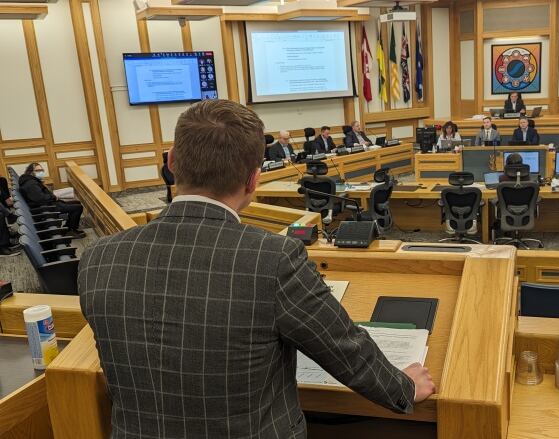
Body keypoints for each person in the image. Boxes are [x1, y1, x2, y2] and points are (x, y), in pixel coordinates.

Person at [78, 100, 435, 439]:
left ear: (171, 163)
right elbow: (346, 350)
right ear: (253, 180)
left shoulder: (98, 257)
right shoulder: (273, 258)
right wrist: (403, 387)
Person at [18, 163, 84, 238]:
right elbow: (40, 199)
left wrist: (52, 196)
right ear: (30, 172)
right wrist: (53, 197)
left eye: (42, 170)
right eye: (38, 170)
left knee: (76, 203)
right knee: (78, 207)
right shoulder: (30, 184)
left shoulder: (31, 180)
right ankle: (71, 230)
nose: (41, 172)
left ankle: (68, 227)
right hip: (45, 208)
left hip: (46, 204)